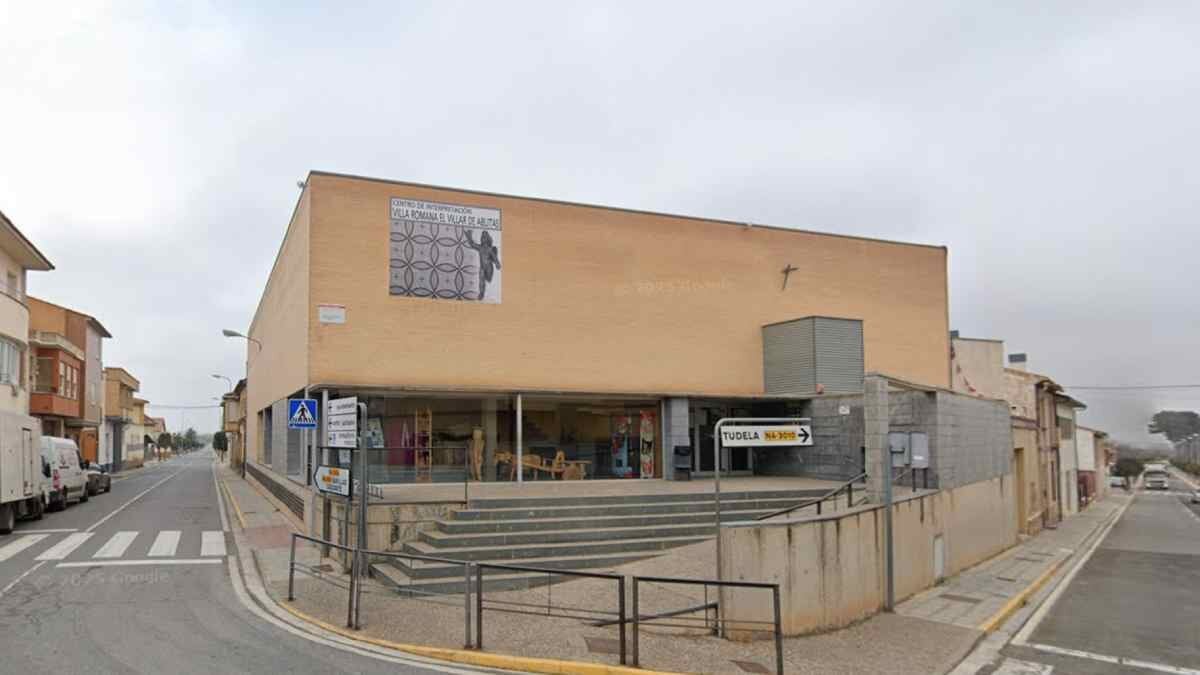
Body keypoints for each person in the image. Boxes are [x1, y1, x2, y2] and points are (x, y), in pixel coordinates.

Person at [463, 230, 501, 300]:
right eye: (482, 237)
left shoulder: (490, 249)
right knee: (481, 279)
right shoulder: (480, 247)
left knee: (483, 277)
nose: (482, 238)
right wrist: (469, 236)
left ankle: (482, 292)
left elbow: (494, 258)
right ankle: (481, 293)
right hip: (482, 268)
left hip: (489, 267)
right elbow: (472, 244)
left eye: (484, 237)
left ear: (487, 239)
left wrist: (497, 263)